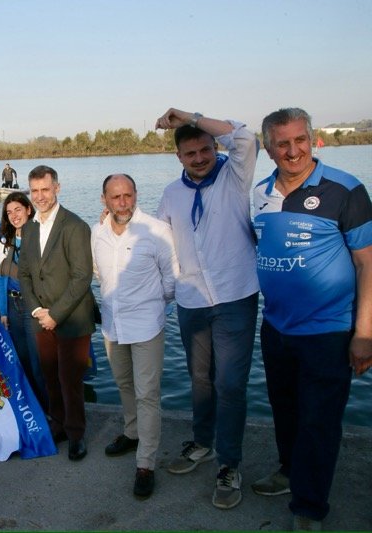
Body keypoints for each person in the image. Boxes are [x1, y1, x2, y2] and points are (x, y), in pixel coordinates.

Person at [250, 108, 372, 530]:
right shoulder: (261, 193)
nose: (293, 150)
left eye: (300, 140)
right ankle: (288, 471)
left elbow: (367, 265)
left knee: (319, 421)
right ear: (268, 149)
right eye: (282, 143)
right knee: (284, 410)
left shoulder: (346, 190)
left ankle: (308, 507)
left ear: (312, 139)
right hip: (277, 327)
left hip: (328, 331)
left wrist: (365, 332)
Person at [155, 108, 259, 510]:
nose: (199, 158)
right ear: (179, 157)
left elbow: (247, 138)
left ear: (215, 148)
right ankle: (202, 442)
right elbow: (160, 243)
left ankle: (229, 463)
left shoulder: (234, 178)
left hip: (236, 297)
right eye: (190, 153)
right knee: (200, 378)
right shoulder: (171, 194)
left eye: (204, 150)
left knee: (230, 384)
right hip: (191, 301)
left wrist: (189, 116)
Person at [92, 174, 178, 498]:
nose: (123, 203)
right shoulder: (97, 233)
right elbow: (100, 274)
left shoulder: (156, 231)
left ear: (136, 195)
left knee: (147, 394)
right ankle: (132, 433)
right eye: (115, 197)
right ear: (105, 200)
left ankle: (146, 464)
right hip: (113, 327)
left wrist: (154, 305)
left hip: (146, 327)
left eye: (128, 195)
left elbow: (172, 280)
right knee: (124, 385)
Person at [19, 165, 96, 461]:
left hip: (73, 318)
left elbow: (81, 277)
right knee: (50, 376)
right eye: (34, 191)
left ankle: (77, 434)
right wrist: (37, 310)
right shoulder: (30, 227)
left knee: (70, 379)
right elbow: (24, 274)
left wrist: (56, 314)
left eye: (45, 190)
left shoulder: (75, 226)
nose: (40, 196)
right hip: (41, 318)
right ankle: (59, 424)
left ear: (57, 189)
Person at [0, 192, 47, 410]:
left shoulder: (41, 235)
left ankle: (49, 411)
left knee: (39, 362)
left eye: (18, 210)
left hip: (34, 306)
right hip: (13, 306)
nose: (14, 216)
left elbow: (33, 274)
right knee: (23, 362)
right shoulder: (5, 241)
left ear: (29, 209)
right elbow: (2, 281)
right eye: (9, 212)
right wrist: (3, 311)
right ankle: (34, 409)